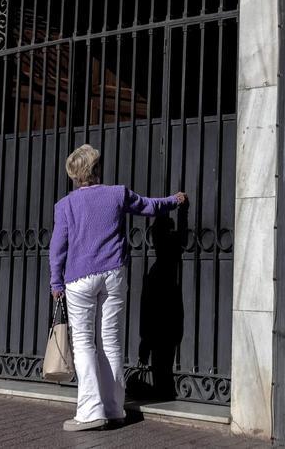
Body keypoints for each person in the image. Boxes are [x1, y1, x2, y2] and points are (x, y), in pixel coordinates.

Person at [49, 144, 186, 431]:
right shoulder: (117, 194)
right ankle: (113, 409)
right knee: (110, 341)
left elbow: (58, 247)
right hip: (112, 274)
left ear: (75, 176)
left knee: (84, 343)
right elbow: (150, 206)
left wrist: (56, 281)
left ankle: (89, 412)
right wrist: (175, 200)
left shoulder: (65, 206)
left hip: (78, 280)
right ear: (96, 169)